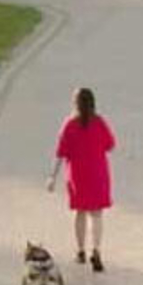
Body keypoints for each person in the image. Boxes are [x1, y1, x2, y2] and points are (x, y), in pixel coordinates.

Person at [47, 86, 116, 271]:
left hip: (78, 175)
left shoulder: (70, 124)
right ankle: (97, 250)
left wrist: (52, 177)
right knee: (97, 215)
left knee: (80, 213)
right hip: (98, 173)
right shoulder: (99, 122)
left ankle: (80, 250)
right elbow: (110, 144)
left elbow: (60, 153)